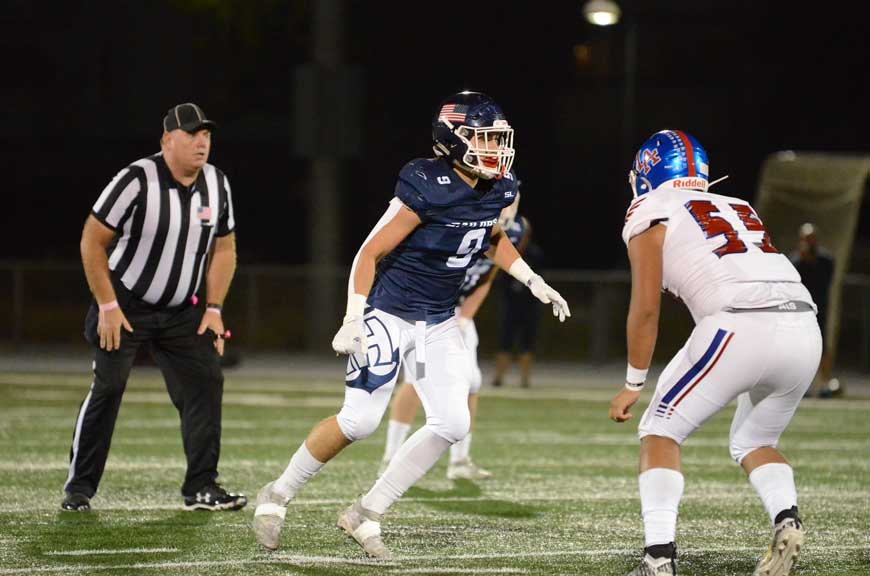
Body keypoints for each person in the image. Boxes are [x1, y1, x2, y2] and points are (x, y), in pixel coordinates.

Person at [252, 91, 570, 558]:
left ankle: (367, 511)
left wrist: (531, 278)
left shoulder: (499, 187)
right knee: (359, 421)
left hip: (438, 321)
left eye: (498, 139)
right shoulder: (427, 182)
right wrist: (353, 316)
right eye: (483, 139)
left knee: (454, 422)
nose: (494, 149)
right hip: (390, 312)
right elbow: (369, 252)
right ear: (453, 140)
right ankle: (277, 493)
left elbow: (491, 237)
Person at [609, 130, 821, 576]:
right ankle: (787, 519)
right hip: (805, 326)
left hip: (742, 322)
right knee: (755, 441)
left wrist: (633, 383)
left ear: (649, 173)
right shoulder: (738, 205)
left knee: (659, 430)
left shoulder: (650, 209)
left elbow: (645, 308)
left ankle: (658, 558)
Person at [62, 103, 247, 513]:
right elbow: (92, 240)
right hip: (126, 304)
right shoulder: (135, 180)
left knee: (206, 382)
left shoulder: (217, 183)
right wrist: (107, 304)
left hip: (184, 310)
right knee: (108, 388)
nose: (202, 143)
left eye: (206, 135)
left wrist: (214, 307)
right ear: (166, 140)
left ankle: (201, 486)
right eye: (191, 134)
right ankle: (79, 488)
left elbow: (224, 248)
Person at [377, 192, 529, 481]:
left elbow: (489, 275)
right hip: (427, 309)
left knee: (471, 382)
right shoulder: (459, 217)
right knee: (415, 381)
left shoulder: (515, 228)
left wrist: (466, 316)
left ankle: (459, 460)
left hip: (457, 313)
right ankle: (390, 457)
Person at [789, 223, 838, 397]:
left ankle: (824, 384)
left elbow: (827, 280)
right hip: (802, 310)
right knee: (802, 347)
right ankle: (804, 384)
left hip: (821, 308)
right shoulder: (795, 261)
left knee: (823, 346)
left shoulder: (826, 259)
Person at [491, 220, 540, 388]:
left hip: (529, 306)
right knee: (504, 341)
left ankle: (525, 379)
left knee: (527, 342)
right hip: (509, 304)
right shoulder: (504, 251)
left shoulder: (534, 254)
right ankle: (499, 377)